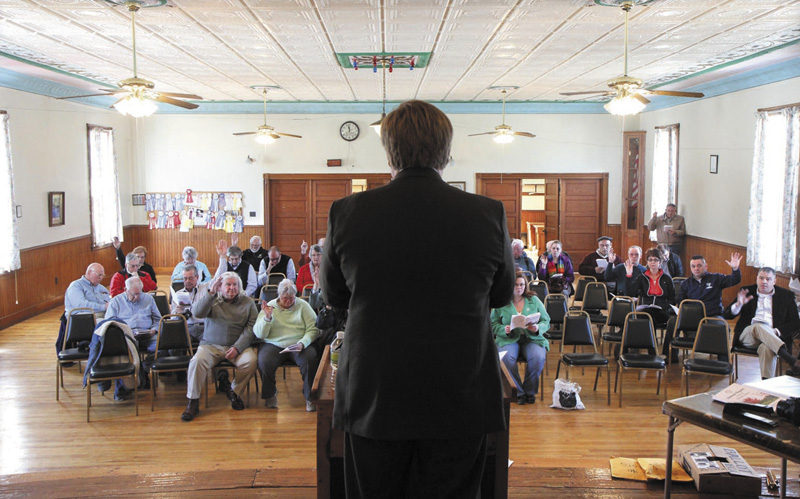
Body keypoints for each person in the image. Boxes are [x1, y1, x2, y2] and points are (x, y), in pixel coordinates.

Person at [320, 100, 514, 498]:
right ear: (447, 151)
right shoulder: (487, 213)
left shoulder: (348, 212)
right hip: (458, 392)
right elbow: (501, 294)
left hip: (376, 393)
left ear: (389, 151)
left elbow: (335, 296)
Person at [181, 272, 258, 422]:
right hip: (211, 346)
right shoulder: (213, 300)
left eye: (234, 284)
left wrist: (237, 347)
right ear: (221, 287)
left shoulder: (248, 302)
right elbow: (197, 312)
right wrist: (211, 293)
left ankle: (234, 392)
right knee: (196, 361)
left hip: (237, 347)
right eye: (227, 285)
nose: (231, 288)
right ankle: (193, 401)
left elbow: (251, 328)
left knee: (251, 361)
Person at [254, 279, 320, 412]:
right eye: (285, 298)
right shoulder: (271, 306)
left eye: (291, 298)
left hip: (299, 343)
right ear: (279, 296)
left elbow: (314, 329)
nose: (289, 301)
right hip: (274, 343)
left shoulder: (303, 305)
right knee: (264, 361)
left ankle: (310, 397)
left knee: (309, 360)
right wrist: (267, 318)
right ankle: (270, 394)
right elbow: (259, 334)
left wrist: (303, 342)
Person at [661, 253, 742, 359]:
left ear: (706, 266)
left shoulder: (716, 278)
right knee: (672, 322)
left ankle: (723, 360)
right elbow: (680, 301)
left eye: (699, 265)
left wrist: (735, 269)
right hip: (692, 317)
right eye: (693, 266)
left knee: (723, 326)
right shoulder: (686, 283)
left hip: (712, 315)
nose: (696, 269)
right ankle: (671, 356)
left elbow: (734, 280)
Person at [724, 267, 800, 379]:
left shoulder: (786, 296)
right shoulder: (746, 291)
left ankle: (766, 385)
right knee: (758, 326)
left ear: (774, 281)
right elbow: (727, 315)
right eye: (761, 278)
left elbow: (795, 322)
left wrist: (776, 331)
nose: (764, 281)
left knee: (767, 348)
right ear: (757, 279)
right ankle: (789, 359)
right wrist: (738, 305)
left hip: (773, 336)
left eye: (768, 279)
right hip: (749, 335)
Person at [491, 272, 550, 405]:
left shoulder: (533, 299)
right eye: (516, 284)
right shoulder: (502, 301)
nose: (519, 287)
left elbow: (546, 320)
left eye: (522, 284)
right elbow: (492, 324)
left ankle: (530, 391)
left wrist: (537, 328)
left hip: (531, 339)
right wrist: (503, 329)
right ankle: (518, 392)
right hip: (509, 338)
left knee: (537, 358)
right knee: (506, 358)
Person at [106, 276, 161, 387]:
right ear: (125, 290)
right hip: (127, 336)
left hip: (147, 334)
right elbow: (109, 324)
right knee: (126, 352)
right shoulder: (115, 302)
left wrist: (154, 330)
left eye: (139, 294)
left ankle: (144, 369)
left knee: (161, 347)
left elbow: (158, 319)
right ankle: (129, 383)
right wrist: (124, 331)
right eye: (133, 294)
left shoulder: (148, 299)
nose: (136, 297)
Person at [57, 263, 110, 355]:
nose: (101, 278)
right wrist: (103, 307)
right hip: (82, 317)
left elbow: (109, 302)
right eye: (99, 275)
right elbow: (80, 305)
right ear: (89, 273)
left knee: (120, 323)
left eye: (103, 275)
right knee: (106, 326)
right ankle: (100, 354)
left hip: (102, 314)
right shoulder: (76, 286)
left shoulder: (101, 288)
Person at [626, 248, 676, 325]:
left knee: (648, 316)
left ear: (660, 262)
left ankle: (649, 337)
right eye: (650, 260)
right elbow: (630, 292)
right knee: (647, 316)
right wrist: (629, 275)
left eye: (655, 260)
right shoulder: (642, 277)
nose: (653, 262)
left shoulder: (667, 278)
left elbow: (672, 298)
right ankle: (652, 337)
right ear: (647, 262)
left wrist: (664, 307)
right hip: (645, 309)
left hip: (662, 311)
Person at [171, 264, 206, 342]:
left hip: (203, 327)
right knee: (175, 343)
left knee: (208, 345)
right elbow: (172, 318)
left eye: (190, 278)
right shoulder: (178, 294)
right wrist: (177, 313)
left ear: (197, 277)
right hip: (186, 328)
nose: (187, 281)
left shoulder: (204, 290)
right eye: (185, 278)